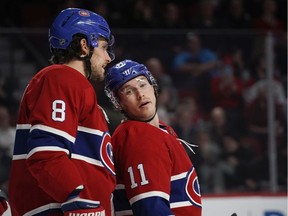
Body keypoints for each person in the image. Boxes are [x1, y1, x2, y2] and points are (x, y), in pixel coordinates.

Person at [8, 8, 116, 216]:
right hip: (60, 209)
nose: (107, 57)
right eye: (103, 47)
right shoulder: (62, 78)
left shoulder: (69, 84)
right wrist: (76, 199)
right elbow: (46, 153)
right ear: (84, 46)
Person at [105, 59, 202, 215]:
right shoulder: (140, 138)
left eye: (142, 84)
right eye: (129, 91)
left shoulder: (159, 131)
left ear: (153, 86)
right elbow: (151, 210)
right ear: (119, 103)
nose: (140, 94)